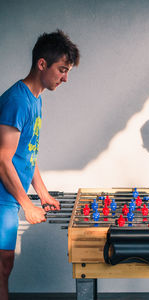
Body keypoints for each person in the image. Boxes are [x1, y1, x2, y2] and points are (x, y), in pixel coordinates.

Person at [0, 29, 80, 300]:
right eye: (62, 69)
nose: (65, 78)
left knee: (4, 266)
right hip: (3, 199)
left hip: (11, 197)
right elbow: (2, 159)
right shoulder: (16, 101)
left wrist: (42, 193)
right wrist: (26, 203)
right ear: (42, 64)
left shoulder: (35, 100)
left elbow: (27, 153)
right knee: (1, 267)